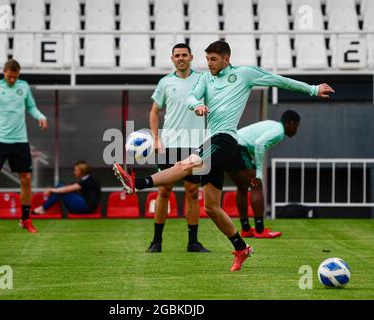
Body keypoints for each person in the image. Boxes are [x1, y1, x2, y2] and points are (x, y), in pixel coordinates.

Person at [113, 40, 335, 272]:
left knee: (188, 164)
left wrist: (312, 89)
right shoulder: (204, 78)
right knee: (210, 207)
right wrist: (196, 105)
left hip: (226, 139)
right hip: (210, 140)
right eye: (207, 59)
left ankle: (137, 183)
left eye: (213, 59)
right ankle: (241, 248)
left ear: (226, 59)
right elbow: (192, 97)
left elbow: (278, 80)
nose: (209, 64)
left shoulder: (245, 74)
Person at [148, 43, 209, 253]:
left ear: (191, 57)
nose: (181, 58)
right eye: (177, 55)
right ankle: (156, 241)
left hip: (195, 144)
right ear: (172, 58)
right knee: (164, 191)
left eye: (184, 55)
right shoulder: (165, 83)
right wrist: (156, 139)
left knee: (192, 192)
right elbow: (154, 112)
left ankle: (193, 242)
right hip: (170, 144)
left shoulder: (203, 80)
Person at [0, 59, 48, 233]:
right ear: (4, 72)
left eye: (15, 77)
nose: (12, 80)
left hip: (20, 140)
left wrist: (41, 116)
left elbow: (31, 107)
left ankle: (25, 219)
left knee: (26, 179)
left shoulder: (24, 86)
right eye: (9, 77)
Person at [228, 110, 301, 239]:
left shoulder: (273, 125)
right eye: (297, 126)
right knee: (256, 185)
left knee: (242, 187)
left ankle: (246, 228)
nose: (296, 130)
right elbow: (259, 144)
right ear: (291, 123)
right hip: (239, 148)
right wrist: (260, 171)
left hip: (230, 146)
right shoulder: (279, 131)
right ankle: (260, 230)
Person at [33, 161, 101, 215]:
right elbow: (69, 187)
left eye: (76, 170)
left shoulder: (89, 180)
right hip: (85, 205)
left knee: (61, 188)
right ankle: (43, 208)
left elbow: (68, 189)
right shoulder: (85, 179)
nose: (74, 172)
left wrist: (50, 189)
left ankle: (43, 208)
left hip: (87, 208)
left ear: (82, 172)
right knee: (60, 186)